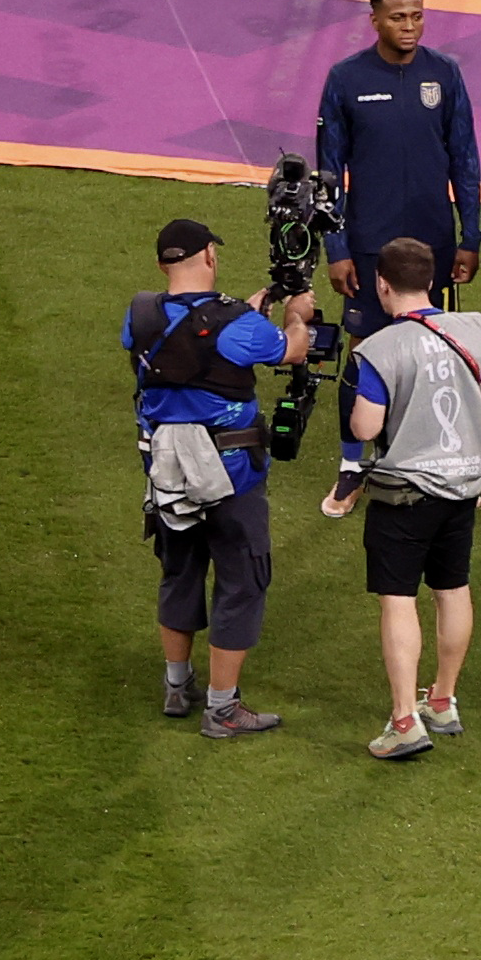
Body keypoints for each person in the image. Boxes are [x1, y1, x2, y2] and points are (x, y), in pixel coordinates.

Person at [128, 212, 312, 739]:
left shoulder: (138, 314)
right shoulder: (237, 324)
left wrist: (243, 315)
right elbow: (290, 349)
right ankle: (223, 707)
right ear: (210, 255)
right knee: (241, 581)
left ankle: (175, 685)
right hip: (234, 478)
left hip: (166, 475)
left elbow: (185, 342)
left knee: (179, 572)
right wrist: (295, 315)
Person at [323, 238, 481, 760]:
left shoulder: (380, 348)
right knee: (452, 587)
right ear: (432, 281)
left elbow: (366, 425)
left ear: (382, 284)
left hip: (405, 492)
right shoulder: (471, 328)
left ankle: (404, 719)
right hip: (463, 487)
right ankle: (442, 700)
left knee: (398, 599)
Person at [312, 0, 479, 325]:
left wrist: (471, 238)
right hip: (370, 241)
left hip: (433, 241)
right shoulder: (346, 78)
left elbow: (464, 161)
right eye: (397, 17)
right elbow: (329, 173)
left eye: (417, 16)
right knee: (367, 342)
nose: (409, 26)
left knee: (433, 339)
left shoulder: (445, 73)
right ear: (375, 21)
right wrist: (337, 250)